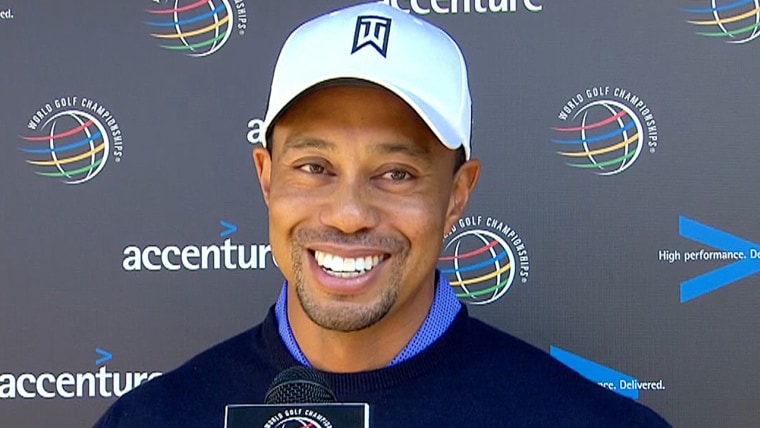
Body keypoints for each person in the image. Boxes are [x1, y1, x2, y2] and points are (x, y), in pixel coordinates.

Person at [94, 2, 671, 426]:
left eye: (396, 173)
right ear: (267, 177)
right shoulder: (152, 420)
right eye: (315, 167)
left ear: (457, 195)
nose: (349, 214)